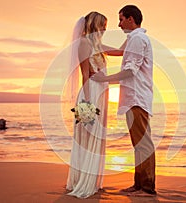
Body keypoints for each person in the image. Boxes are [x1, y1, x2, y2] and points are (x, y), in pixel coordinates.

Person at [92, 5, 156, 196]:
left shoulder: (137, 39)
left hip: (137, 97)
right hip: (134, 98)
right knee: (138, 143)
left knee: (143, 143)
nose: (119, 24)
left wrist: (104, 79)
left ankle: (147, 187)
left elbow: (130, 71)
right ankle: (138, 185)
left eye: (121, 19)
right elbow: (119, 52)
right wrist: (92, 45)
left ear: (131, 19)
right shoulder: (134, 39)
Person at [66, 11, 123, 198]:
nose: (105, 29)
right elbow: (85, 74)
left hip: (101, 94)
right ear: (93, 25)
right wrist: (88, 104)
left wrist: (134, 35)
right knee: (87, 138)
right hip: (90, 94)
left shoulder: (97, 45)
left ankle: (90, 180)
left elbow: (120, 52)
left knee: (96, 138)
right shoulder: (83, 43)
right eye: (102, 25)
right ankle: (82, 182)